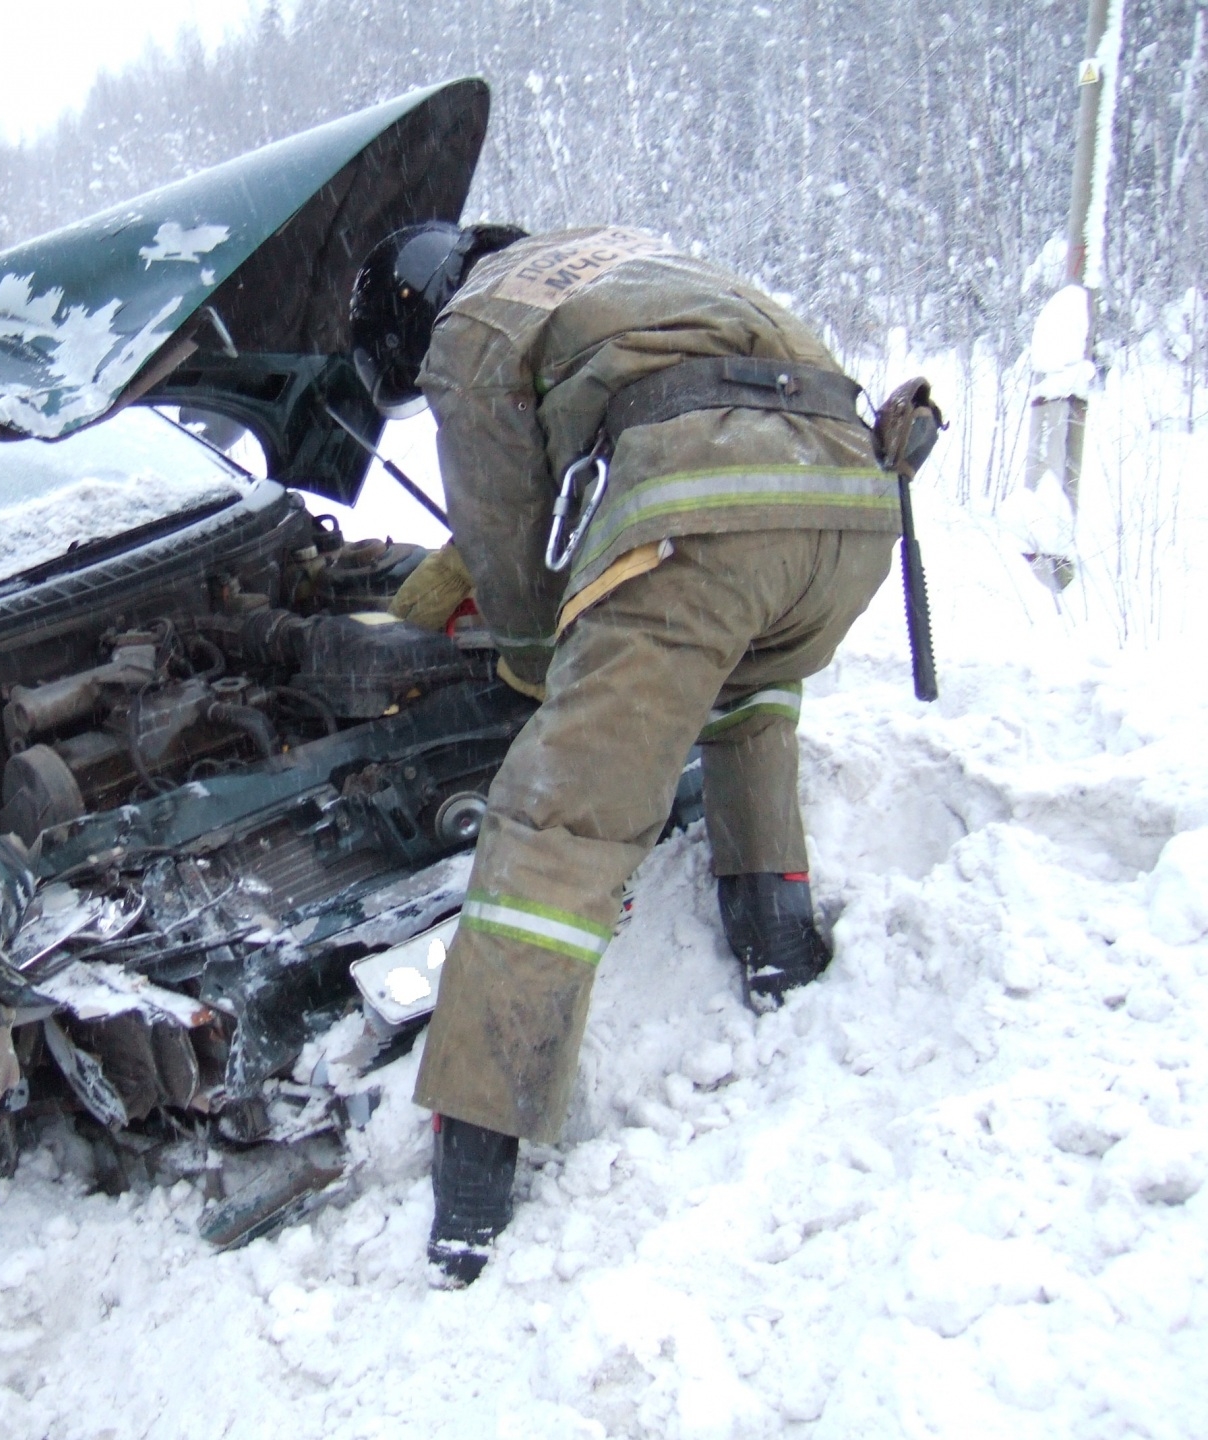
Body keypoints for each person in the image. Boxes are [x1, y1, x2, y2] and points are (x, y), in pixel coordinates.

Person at [349, 222, 936, 1284]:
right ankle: (776, 934)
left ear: (408, 314)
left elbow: (513, 539)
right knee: (742, 687)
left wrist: (538, 670)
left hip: (703, 517)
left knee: (559, 816)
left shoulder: (471, 323)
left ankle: (475, 1172)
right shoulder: (609, 256)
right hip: (852, 508)